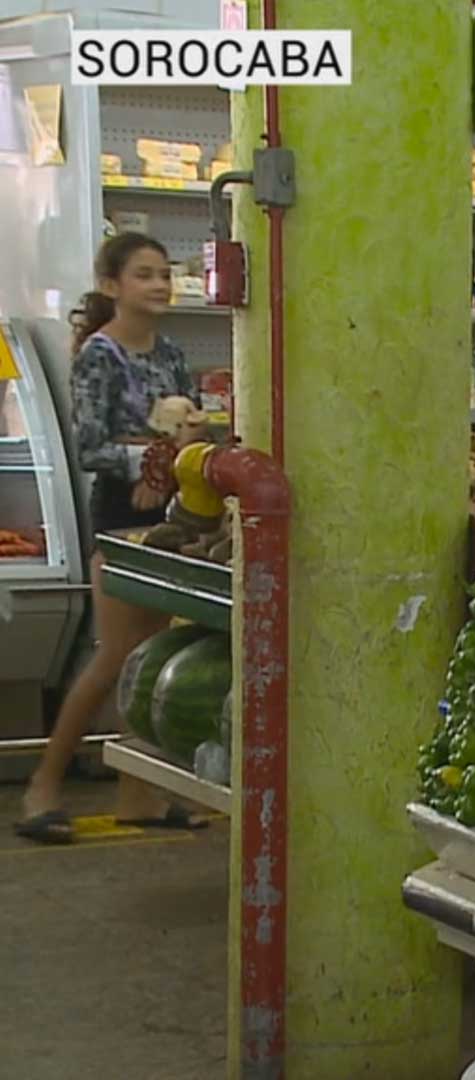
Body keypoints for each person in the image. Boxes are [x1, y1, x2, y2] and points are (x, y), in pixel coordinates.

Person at [16, 232, 207, 843]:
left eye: (164, 274)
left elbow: (190, 427)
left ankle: (140, 793)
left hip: (172, 516)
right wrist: (149, 462)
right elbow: (90, 447)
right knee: (116, 656)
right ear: (112, 286)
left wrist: (189, 445)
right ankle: (43, 784)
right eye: (144, 274)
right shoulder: (99, 356)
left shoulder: (172, 353)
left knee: (149, 657)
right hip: (122, 518)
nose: (158, 285)